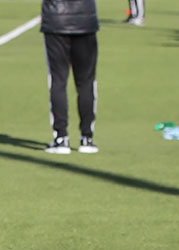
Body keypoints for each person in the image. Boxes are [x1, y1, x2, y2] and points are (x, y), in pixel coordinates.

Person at [40, 0, 100, 154]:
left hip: (56, 20)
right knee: (86, 82)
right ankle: (86, 137)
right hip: (85, 19)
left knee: (58, 80)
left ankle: (61, 138)